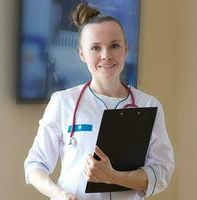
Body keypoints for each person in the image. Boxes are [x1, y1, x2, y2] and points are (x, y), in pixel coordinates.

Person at [24, 3, 174, 200]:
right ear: (82, 54)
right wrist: (58, 194)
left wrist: (113, 176)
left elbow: (162, 173)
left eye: (115, 45)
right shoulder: (63, 102)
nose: (106, 55)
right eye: (95, 47)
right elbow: (35, 165)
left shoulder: (148, 105)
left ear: (126, 49)